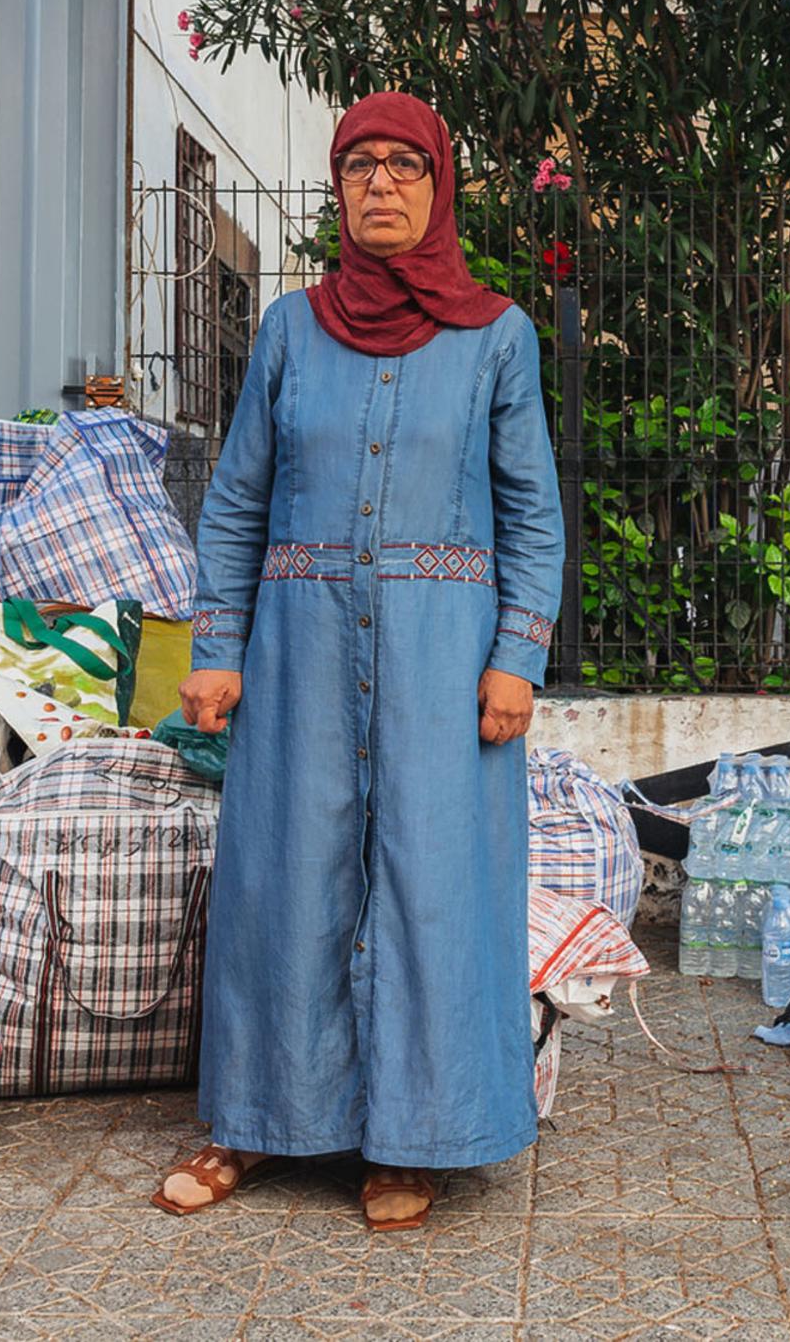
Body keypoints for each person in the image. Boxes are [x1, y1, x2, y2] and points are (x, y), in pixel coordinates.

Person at [154, 93, 565, 1231]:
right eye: (358, 167)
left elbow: (530, 511)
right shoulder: (290, 329)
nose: (379, 185)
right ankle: (251, 1123)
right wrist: (218, 648)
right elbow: (235, 499)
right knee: (283, 879)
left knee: (432, 888)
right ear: (336, 190)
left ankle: (411, 1139)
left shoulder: (497, 336)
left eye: (403, 166)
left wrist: (515, 656)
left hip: (445, 667)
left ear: (439, 187)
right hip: (298, 661)